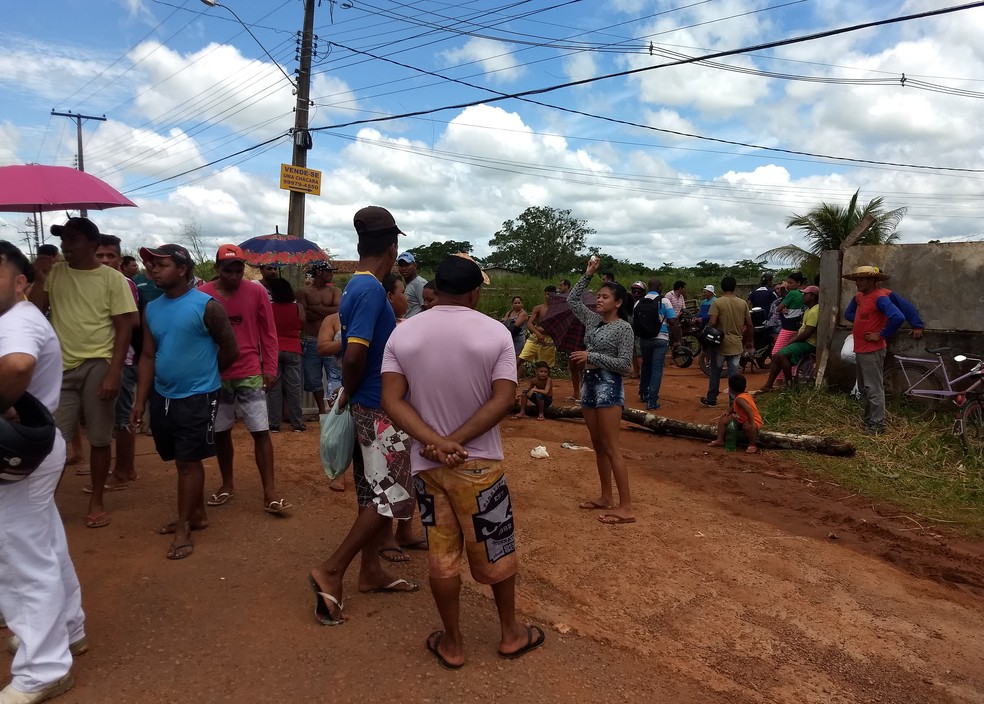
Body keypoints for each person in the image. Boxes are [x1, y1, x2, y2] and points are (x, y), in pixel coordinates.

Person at [381, 254, 545, 669]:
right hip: (479, 464)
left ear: (435, 289)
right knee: (497, 545)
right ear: (474, 292)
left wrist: (435, 442)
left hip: (428, 465)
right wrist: (454, 441)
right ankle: (510, 633)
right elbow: (504, 399)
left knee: (442, 553)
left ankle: (452, 643)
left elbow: (391, 399)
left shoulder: (404, 333)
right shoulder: (495, 333)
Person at [307, 206, 418, 627]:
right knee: (391, 493)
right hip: (377, 406)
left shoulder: (354, 285)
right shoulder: (372, 291)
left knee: (372, 491)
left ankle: (370, 572)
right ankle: (332, 569)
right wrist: (352, 392)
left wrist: (348, 396)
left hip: (365, 403)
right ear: (392, 248)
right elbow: (355, 353)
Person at [0, 241, 87, 704]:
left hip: (23, 449)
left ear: (19, 281)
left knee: (19, 557)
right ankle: (67, 629)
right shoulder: (17, 318)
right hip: (39, 443)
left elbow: (16, 364)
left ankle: (43, 669)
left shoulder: (15, 322)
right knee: (44, 543)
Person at [131, 244, 238, 560]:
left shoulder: (207, 306)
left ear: (182, 269)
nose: (152, 270)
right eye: (150, 265)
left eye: (160, 265)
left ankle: (183, 528)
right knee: (183, 458)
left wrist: (207, 377)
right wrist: (140, 401)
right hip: (163, 395)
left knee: (186, 462)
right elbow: (148, 355)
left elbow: (230, 349)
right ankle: (198, 515)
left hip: (199, 396)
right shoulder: (151, 308)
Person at [28, 217, 137, 529]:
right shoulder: (55, 274)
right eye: (64, 239)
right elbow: (35, 311)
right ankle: (44, 502)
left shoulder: (112, 279)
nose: (65, 245)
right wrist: (38, 278)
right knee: (53, 441)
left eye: (73, 239)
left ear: (92, 244)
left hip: (97, 363)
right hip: (59, 366)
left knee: (100, 438)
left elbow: (124, 329)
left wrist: (114, 373)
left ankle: (97, 499)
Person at [199, 245, 288, 514]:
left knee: (260, 431)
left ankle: (269, 491)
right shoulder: (202, 295)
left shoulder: (257, 292)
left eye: (239, 270)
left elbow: (269, 333)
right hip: (216, 373)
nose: (235, 275)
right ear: (217, 269)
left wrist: (270, 368)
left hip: (250, 371)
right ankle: (227, 484)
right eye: (228, 270)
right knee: (221, 431)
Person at [569, 257, 635, 524]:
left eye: (605, 297)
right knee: (597, 444)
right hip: (590, 385)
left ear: (618, 303)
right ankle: (606, 497)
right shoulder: (593, 321)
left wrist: (592, 356)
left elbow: (626, 365)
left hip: (609, 385)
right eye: (598, 296)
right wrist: (587, 274)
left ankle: (626, 507)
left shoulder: (624, 328)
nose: (599, 300)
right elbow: (573, 301)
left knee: (610, 446)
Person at [92, 234, 141, 491]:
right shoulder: (94, 282)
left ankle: (124, 470)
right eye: (99, 255)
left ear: (119, 260)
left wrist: (100, 318)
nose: (105, 260)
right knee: (106, 417)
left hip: (124, 360)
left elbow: (133, 321)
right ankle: (114, 467)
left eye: (110, 255)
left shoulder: (124, 283)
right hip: (102, 358)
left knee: (122, 417)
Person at [843, 265, 905, 434]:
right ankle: (869, 421)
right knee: (865, 387)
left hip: (872, 350)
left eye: (862, 279)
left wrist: (881, 334)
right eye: (857, 279)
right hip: (862, 349)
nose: (857, 282)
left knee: (873, 388)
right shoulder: (860, 297)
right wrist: (862, 322)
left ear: (873, 280)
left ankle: (878, 425)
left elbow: (898, 317)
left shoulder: (880, 297)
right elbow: (848, 314)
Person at [700, 276, 753, 408]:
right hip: (736, 344)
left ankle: (711, 399)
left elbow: (712, 323)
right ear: (734, 287)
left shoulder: (717, 303)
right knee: (734, 374)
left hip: (720, 345)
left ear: (722, 288)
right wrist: (749, 341)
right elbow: (750, 325)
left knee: (715, 372)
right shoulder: (743, 303)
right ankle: (734, 402)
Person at [296, 261, 341, 415]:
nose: (332, 274)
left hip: (331, 342)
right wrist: (327, 311)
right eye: (329, 271)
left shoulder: (335, 290)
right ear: (319, 272)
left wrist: (314, 308)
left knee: (335, 376)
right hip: (311, 339)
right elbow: (305, 315)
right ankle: (322, 411)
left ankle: (335, 410)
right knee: (313, 378)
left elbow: (338, 311)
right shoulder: (303, 291)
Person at [758, 286, 819, 394]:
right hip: (804, 341)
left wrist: (792, 341)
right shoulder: (809, 309)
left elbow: (807, 332)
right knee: (777, 356)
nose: (803, 296)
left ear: (813, 296)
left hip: (809, 343)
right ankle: (769, 385)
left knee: (780, 355)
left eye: (805, 294)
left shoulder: (814, 311)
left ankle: (791, 385)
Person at [266, 278, 305, 433]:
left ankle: (274, 424)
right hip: (293, 348)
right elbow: (303, 321)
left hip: (274, 350)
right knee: (294, 388)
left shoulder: (269, 307)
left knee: (274, 388)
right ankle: (297, 423)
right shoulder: (298, 307)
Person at [636, 278, 679, 411]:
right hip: (661, 338)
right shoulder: (664, 301)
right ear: (659, 287)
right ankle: (652, 401)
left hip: (644, 339)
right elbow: (672, 320)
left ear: (649, 287)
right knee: (657, 369)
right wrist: (677, 339)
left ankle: (643, 392)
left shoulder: (639, 302)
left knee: (646, 365)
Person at [709, 375, 762, 454]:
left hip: (752, 419)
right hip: (740, 418)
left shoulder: (740, 399)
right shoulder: (741, 396)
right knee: (724, 420)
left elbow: (749, 410)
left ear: (731, 389)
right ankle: (720, 440)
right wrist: (728, 412)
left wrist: (751, 423)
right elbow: (734, 405)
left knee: (748, 427)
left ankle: (752, 445)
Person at [517, 287, 557, 377]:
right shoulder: (538, 308)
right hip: (535, 337)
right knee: (521, 359)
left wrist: (545, 330)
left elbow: (558, 325)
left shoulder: (557, 309)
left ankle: (546, 388)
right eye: (548, 294)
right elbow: (529, 323)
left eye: (552, 294)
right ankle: (512, 381)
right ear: (544, 294)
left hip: (548, 339)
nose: (549, 296)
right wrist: (537, 333)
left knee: (546, 366)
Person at [556, 279, 586, 400]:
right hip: (571, 339)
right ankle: (576, 393)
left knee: (582, 369)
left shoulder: (586, 313)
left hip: (582, 340)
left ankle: (584, 394)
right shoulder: (567, 308)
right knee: (573, 367)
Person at [772, 272, 806, 356]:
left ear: (798, 283)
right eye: (788, 283)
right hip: (800, 326)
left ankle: (783, 369)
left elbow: (779, 308)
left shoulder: (792, 293)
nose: (789, 285)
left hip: (788, 327)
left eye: (791, 283)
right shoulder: (805, 293)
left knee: (776, 353)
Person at [397, 251, 427, 319]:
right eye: (401, 265)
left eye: (407, 265)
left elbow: (426, 307)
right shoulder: (407, 284)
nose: (404, 268)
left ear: (415, 265)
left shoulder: (419, 283)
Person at [628, 281, 646, 378]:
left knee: (639, 353)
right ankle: (636, 372)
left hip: (639, 330)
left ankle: (643, 373)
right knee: (633, 352)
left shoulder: (644, 301)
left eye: (638, 291)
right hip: (631, 330)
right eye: (634, 290)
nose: (636, 292)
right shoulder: (630, 301)